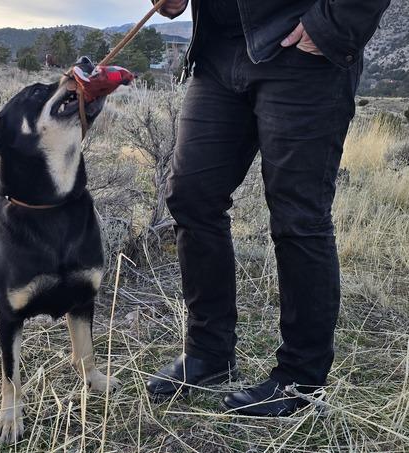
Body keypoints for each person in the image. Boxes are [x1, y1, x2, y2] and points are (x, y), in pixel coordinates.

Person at [144, 0, 391, 417]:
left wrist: (331, 25)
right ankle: (209, 353)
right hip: (219, 51)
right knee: (191, 195)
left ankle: (300, 382)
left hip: (301, 50)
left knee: (299, 215)